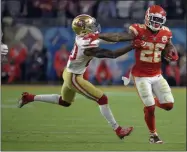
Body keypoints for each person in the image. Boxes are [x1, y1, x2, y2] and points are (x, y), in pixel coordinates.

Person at [18, 14, 134, 139]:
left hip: (68, 73)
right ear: (84, 29)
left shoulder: (84, 37)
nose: (94, 27)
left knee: (65, 102)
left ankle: (29, 98)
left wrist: (133, 37)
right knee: (102, 99)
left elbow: (114, 37)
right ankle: (118, 130)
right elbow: (112, 54)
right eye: (91, 26)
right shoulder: (86, 44)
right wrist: (133, 45)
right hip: (74, 77)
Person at [99, 5, 179, 144]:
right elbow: (118, 36)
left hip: (157, 75)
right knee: (150, 108)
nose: (155, 23)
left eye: (158, 20)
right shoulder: (138, 30)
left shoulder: (166, 32)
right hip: (141, 76)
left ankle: (150, 103)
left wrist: (172, 50)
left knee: (169, 105)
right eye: (153, 19)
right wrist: (97, 35)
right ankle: (153, 135)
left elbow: (169, 45)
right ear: (147, 17)